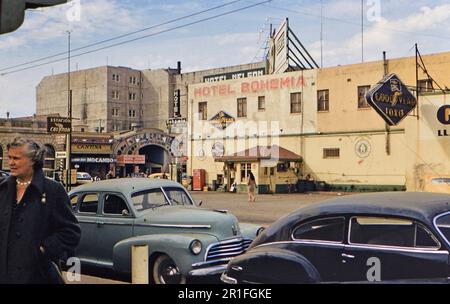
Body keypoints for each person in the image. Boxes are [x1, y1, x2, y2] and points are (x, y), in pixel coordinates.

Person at [0, 137, 81, 284]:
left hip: (37, 275)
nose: (10, 162)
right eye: (10, 157)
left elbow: (71, 232)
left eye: (16, 158)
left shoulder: (53, 190)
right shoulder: (3, 189)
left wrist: (43, 249)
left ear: (32, 160)